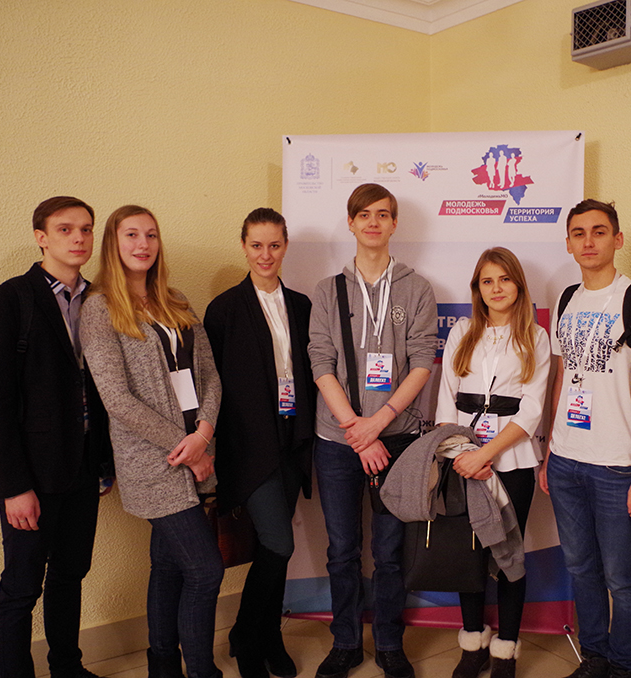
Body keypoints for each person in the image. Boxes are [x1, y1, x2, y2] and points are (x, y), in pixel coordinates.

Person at [80, 205, 224, 678]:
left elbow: (210, 375)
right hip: (151, 460)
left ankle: (162, 665)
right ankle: (201, 671)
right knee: (205, 571)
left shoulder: (176, 301)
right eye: (131, 235)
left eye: (151, 235)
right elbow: (116, 399)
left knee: (167, 565)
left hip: (196, 444)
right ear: (113, 243)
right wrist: (187, 446)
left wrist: (204, 434)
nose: (142, 244)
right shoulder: (99, 308)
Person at [0, 196, 113, 678]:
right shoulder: (8, 301)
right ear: (41, 238)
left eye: (86, 229)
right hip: (30, 475)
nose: (79, 238)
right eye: (65, 229)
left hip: (83, 468)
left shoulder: (100, 300)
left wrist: (103, 464)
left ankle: (67, 667)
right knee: (21, 587)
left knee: (70, 575)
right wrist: (14, 485)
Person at [308, 183, 438, 678]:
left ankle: (388, 643)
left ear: (394, 223)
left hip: (397, 439)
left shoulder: (417, 288)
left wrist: (379, 425)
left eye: (383, 214)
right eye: (364, 214)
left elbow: (422, 362)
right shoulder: (328, 290)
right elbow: (320, 364)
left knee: (389, 552)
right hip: (337, 441)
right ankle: (344, 642)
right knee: (342, 550)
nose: (373, 223)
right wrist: (355, 430)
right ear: (351, 222)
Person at [539, 200, 631, 678]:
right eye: (579, 233)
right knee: (580, 568)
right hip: (566, 459)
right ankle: (594, 656)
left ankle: (625, 666)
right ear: (568, 244)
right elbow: (561, 379)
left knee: (622, 576)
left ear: (617, 239)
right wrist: (549, 452)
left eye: (599, 231)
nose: (588, 241)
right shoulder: (566, 300)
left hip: (619, 464)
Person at [203, 208, 316, 678]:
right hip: (249, 448)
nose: (265, 255)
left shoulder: (303, 306)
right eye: (256, 245)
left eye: (274, 245)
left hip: (293, 441)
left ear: (285, 245)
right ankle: (248, 636)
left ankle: (268, 636)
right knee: (278, 543)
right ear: (244, 246)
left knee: (276, 548)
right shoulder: (224, 310)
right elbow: (211, 386)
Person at [435, 247, 551, 678]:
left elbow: (532, 409)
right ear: (477, 289)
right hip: (462, 461)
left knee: (507, 556)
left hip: (513, 462)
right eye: (487, 281)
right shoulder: (462, 332)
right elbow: (446, 400)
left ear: (518, 284)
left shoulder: (535, 337)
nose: (496, 288)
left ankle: (506, 651)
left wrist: (486, 454)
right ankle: (473, 643)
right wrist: (462, 455)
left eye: (504, 279)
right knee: (468, 554)